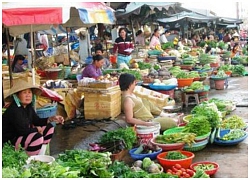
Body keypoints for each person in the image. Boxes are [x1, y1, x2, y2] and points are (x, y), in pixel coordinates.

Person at [2, 79, 64, 156]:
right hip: (10, 140)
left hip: (21, 135)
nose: (28, 95)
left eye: (29, 92)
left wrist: (51, 118)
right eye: (24, 92)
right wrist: (36, 129)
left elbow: (37, 121)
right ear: (17, 96)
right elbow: (23, 131)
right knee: (37, 137)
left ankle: (39, 153)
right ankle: (28, 159)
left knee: (49, 127)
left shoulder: (28, 107)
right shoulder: (14, 110)